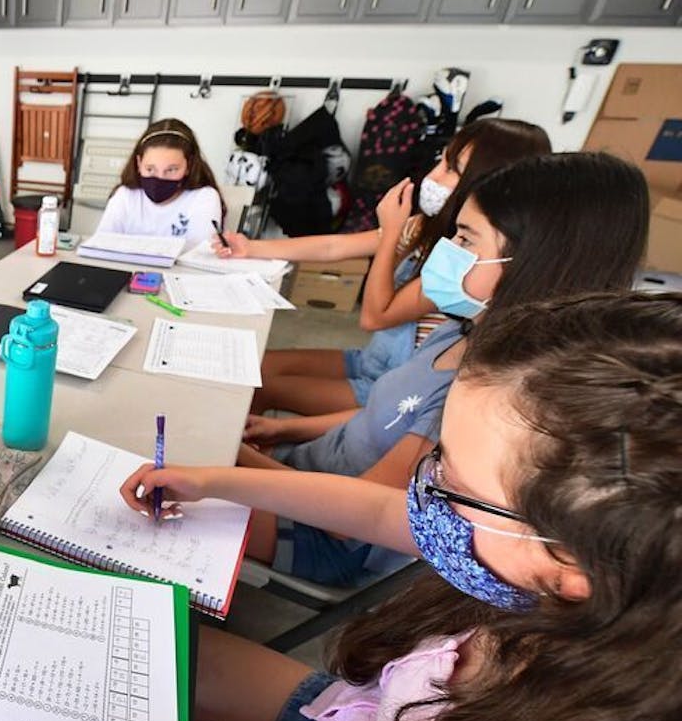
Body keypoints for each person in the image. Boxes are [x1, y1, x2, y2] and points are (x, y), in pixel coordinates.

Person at [121, 291, 681, 721]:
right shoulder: (576, 577)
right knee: (142, 641)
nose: (423, 488)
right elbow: (382, 512)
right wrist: (213, 480)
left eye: (451, 483)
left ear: (570, 564)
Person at [234, 151, 647, 586]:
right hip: (306, 474)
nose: (446, 252)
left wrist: (232, 461)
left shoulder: (477, 393)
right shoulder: (459, 328)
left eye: (466, 241)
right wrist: (283, 433)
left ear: (532, 262)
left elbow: (354, 514)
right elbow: (387, 414)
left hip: (327, 531)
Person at [214, 119, 550, 416]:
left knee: (257, 386)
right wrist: (252, 247)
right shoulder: (424, 226)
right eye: (441, 161)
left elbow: (375, 316)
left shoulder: (464, 261)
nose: (433, 177)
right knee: (255, 365)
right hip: (371, 360)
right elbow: (336, 246)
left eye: (452, 169)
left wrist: (390, 234)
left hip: (392, 386)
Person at [97, 118, 224, 249]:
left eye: (171, 170)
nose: (160, 177)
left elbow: (201, 253)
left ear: (188, 166)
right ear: (139, 163)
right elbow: (101, 244)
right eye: (150, 169)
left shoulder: (204, 197)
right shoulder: (125, 195)